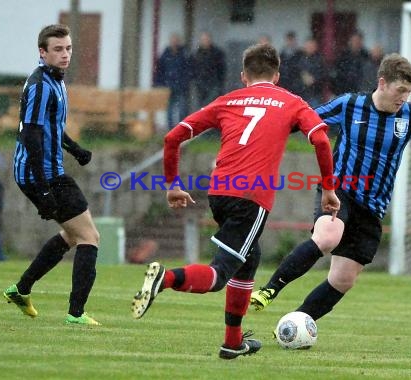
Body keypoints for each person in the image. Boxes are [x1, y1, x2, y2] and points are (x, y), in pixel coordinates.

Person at [130, 43, 340, 359]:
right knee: (220, 273)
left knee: (248, 258)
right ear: (278, 75)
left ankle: (233, 342)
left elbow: (173, 137)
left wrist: (173, 184)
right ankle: (166, 278)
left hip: (219, 192)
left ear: (244, 76)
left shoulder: (228, 100)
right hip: (250, 197)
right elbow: (322, 139)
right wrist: (328, 188)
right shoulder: (292, 102)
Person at [250, 53, 411, 326]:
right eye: (400, 90)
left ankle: (296, 324)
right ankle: (270, 289)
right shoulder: (350, 104)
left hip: (373, 206)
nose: (404, 97)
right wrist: (261, 138)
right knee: (328, 237)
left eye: (409, 91)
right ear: (383, 83)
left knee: (343, 280)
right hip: (339, 192)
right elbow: (305, 121)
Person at [5, 24, 101, 325]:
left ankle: (21, 290)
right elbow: (31, 136)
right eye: (58, 49)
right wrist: (44, 189)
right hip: (40, 173)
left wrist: (74, 149)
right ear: (42, 52)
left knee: (73, 235)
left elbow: (52, 127)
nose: (65, 54)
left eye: (68, 48)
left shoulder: (56, 80)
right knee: (89, 236)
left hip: (49, 170)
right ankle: (76, 313)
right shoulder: (38, 85)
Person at [154, 33, 192, 129]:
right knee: (170, 109)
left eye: (176, 40)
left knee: (182, 109)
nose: (174, 42)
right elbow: (159, 70)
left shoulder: (184, 54)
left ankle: (182, 129)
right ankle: (171, 129)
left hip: (181, 86)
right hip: (169, 86)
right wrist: (159, 83)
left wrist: (185, 82)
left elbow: (189, 69)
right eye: (172, 40)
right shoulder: (165, 54)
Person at [191, 32, 227, 108]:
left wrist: (220, 81)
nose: (205, 41)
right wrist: (195, 79)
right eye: (203, 39)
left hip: (213, 83)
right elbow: (193, 67)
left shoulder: (217, 53)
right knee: (201, 105)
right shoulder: (196, 53)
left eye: (207, 39)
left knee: (211, 103)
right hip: (200, 83)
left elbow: (222, 68)